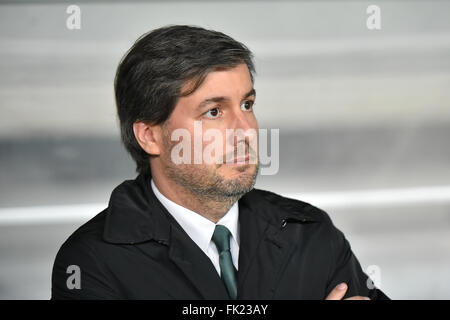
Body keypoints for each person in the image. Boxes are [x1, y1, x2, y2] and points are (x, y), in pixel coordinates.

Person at [51, 25, 389, 300]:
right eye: (213, 112)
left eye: (246, 104)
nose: (245, 131)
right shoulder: (92, 263)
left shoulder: (311, 234)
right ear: (150, 136)